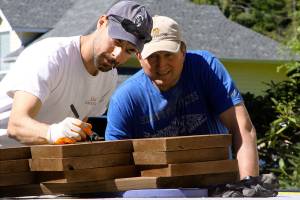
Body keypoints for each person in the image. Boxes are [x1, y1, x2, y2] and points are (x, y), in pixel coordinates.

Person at [105, 15, 259, 179]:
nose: (161, 64)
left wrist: (248, 182)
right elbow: (114, 163)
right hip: (155, 193)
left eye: (168, 54)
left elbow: (242, 128)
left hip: (217, 185)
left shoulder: (205, 68)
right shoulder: (124, 99)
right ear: (139, 56)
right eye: (152, 56)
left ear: (183, 50)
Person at [0, 0, 153, 146]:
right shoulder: (51, 56)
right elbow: (16, 126)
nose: (118, 55)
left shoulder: (108, 78)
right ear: (101, 23)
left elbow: (75, 131)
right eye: (117, 41)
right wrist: (54, 132)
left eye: (130, 50)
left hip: (33, 160)